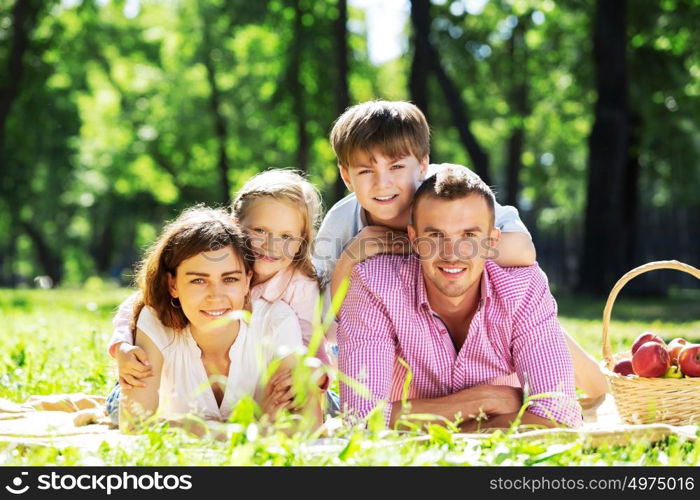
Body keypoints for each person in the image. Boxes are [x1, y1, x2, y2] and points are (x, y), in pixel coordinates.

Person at [314, 100, 606, 399]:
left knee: (595, 390)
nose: (383, 183)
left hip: (477, 309)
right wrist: (352, 255)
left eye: (397, 166)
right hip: (403, 327)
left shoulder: (451, 189)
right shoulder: (342, 221)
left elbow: (522, 250)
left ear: (423, 164)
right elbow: (328, 324)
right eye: (365, 171)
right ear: (347, 176)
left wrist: (414, 246)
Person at [337, 166, 583, 430]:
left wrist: (430, 431)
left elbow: (560, 414)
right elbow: (360, 418)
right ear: (414, 239)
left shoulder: (523, 289)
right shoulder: (374, 284)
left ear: (491, 241)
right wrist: (484, 400)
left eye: (469, 235)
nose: (452, 254)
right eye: (435, 235)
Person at [107, 170, 335, 422]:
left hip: (281, 374)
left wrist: (312, 373)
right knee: (121, 406)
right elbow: (143, 303)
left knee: (326, 406)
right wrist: (121, 346)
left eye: (286, 236)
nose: (272, 245)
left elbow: (310, 341)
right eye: (259, 230)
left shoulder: (298, 284)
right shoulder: (213, 258)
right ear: (235, 226)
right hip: (185, 377)